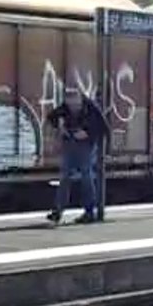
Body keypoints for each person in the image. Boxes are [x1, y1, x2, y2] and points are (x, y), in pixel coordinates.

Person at [47, 88, 110, 224]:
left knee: (86, 175)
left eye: (74, 102)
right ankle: (58, 211)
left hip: (86, 145)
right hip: (70, 143)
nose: (72, 106)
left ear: (81, 99)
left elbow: (104, 128)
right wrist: (60, 125)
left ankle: (89, 211)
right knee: (65, 176)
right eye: (69, 102)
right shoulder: (65, 108)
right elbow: (51, 116)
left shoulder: (91, 108)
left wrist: (87, 133)